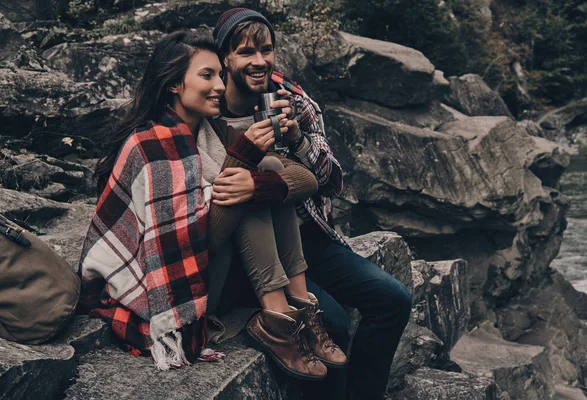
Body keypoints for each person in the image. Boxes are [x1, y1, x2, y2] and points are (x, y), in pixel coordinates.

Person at [78, 30, 343, 378]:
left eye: (220, 74)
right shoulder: (152, 146)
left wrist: (257, 176)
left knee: (263, 173)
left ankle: (297, 307)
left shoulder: (208, 131)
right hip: (171, 286)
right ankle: (278, 316)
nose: (220, 85)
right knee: (245, 185)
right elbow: (196, 243)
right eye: (207, 75)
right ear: (174, 84)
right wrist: (244, 161)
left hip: (217, 270)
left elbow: (306, 179)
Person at [212, 8, 413, 399]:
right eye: (246, 52)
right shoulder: (208, 103)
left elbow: (334, 183)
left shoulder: (292, 99)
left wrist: (299, 140)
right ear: (226, 58)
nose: (259, 62)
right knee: (333, 321)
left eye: (266, 50)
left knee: (393, 300)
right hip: (250, 248)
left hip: (308, 238)